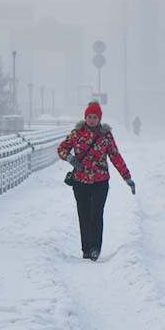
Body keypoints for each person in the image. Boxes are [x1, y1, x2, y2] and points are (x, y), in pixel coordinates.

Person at [57, 101, 135, 261]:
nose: (92, 119)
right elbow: (61, 149)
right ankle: (86, 249)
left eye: (95, 117)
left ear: (99, 118)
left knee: (96, 214)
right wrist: (71, 159)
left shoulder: (105, 136)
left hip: (100, 181)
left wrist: (127, 177)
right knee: (84, 215)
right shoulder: (76, 133)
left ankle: (95, 248)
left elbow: (115, 156)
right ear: (85, 117)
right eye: (89, 116)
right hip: (80, 182)